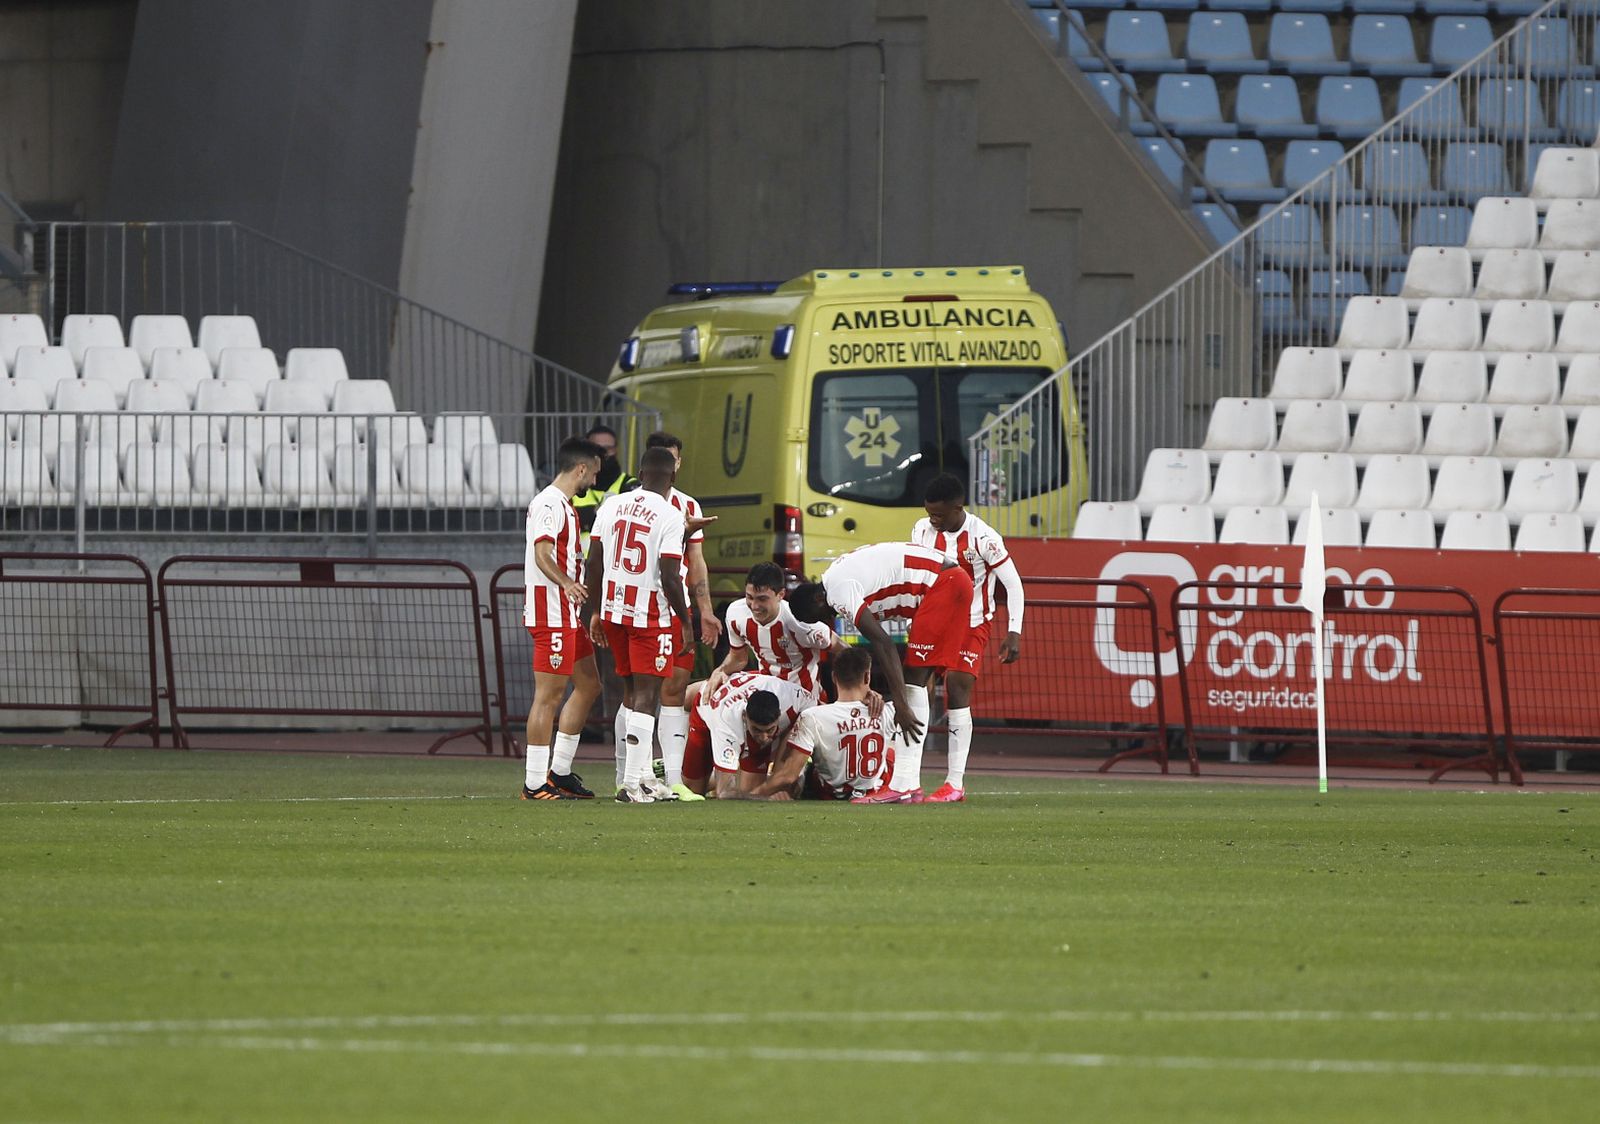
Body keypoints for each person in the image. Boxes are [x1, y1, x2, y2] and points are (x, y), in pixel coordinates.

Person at [788, 541, 972, 804]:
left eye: (823, 615)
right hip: (948, 582)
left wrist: (899, 705)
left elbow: (882, 642)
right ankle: (912, 784)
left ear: (819, 599)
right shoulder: (837, 577)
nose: (830, 619)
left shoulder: (837, 591)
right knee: (917, 679)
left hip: (944, 585)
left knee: (913, 681)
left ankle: (904, 785)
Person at [585, 446, 699, 804]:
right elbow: (669, 575)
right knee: (649, 696)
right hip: (649, 615)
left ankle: (646, 778)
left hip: (614, 610)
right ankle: (631, 784)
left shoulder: (612, 505)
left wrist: (594, 611)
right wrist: (685, 621)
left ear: (639, 471)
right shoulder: (669, 515)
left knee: (631, 692)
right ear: (673, 477)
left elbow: (594, 563)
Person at [908, 472, 1026, 803]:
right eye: (930, 512)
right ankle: (906, 777)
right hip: (932, 622)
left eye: (939, 514)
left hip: (972, 623)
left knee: (959, 687)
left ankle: (954, 783)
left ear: (958, 507)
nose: (933, 519)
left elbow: (1013, 584)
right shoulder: (920, 529)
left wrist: (1013, 631)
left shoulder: (984, 538)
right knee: (916, 690)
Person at [520, 436, 606, 801]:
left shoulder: (565, 505)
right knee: (548, 697)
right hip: (551, 613)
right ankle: (534, 783)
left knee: (589, 686)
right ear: (582, 468)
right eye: (595, 474)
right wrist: (568, 583)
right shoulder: (548, 504)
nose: (596, 482)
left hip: (567, 614)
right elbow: (542, 554)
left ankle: (560, 772)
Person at [639, 431, 722, 800]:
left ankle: (673, 781)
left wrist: (704, 611)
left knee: (673, 691)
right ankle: (632, 773)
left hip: (675, 609)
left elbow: (696, 563)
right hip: (639, 608)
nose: (669, 467)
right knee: (636, 692)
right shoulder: (629, 503)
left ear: (679, 464)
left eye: (673, 459)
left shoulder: (689, 505)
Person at [759, 645, 897, 801]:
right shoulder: (888, 711)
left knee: (805, 767)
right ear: (867, 677)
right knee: (892, 749)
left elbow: (789, 775)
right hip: (875, 794)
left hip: (829, 795)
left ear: (833, 677)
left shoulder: (813, 716)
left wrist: (752, 794)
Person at [704, 561, 841, 702]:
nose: (755, 606)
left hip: (804, 701)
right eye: (749, 597)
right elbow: (738, 658)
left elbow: (846, 652)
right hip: (766, 695)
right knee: (697, 693)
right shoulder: (736, 613)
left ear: (781, 594)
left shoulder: (802, 624)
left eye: (762, 599)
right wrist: (719, 671)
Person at [677, 670, 813, 800]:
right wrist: (767, 799)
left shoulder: (796, 698)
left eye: (770, 730)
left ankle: (728, 768)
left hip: (749, 685)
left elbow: (818, 712)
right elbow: (724, 792)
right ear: (744, 716)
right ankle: (715, 769)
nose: (764, 738)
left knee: (749, 791)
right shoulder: (727, 724)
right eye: (757, 730)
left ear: (779, 715)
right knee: (695, 790)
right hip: (707, 711)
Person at [570, 424, 639, 546]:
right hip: (579, 562)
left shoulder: (630, 486)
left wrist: (588, 516)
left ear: (616, 450)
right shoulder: (573, 486)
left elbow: (634, 523)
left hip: (615, 563)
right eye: (598, 448)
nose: (604, 454)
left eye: (608, 449)